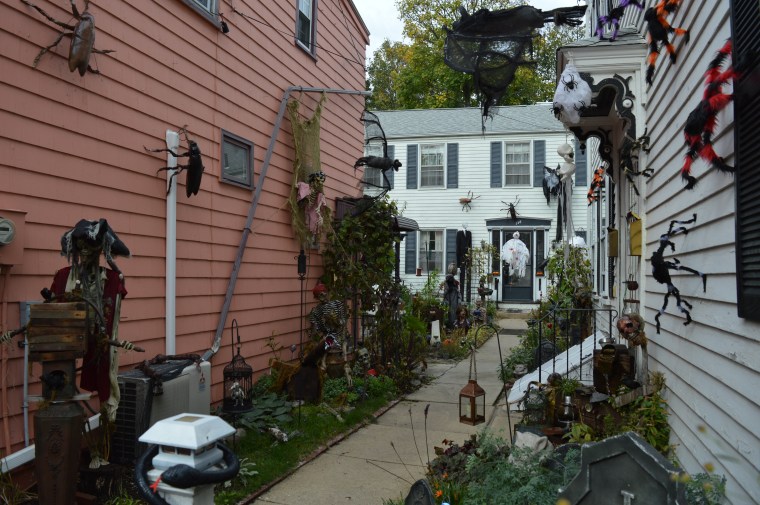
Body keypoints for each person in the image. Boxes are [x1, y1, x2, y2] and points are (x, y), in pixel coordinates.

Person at [50, 218, 134, 467]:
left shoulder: (111, 279)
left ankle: (104, 449)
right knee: (59, 384)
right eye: (80, 246)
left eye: (91, 246)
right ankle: (67, 452)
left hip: (100, 343)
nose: (85, 251)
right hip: (67, 343)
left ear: (100, 249)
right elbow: (53, 310)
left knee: (106, 381)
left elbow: (112, 316)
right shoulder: (64, 277)